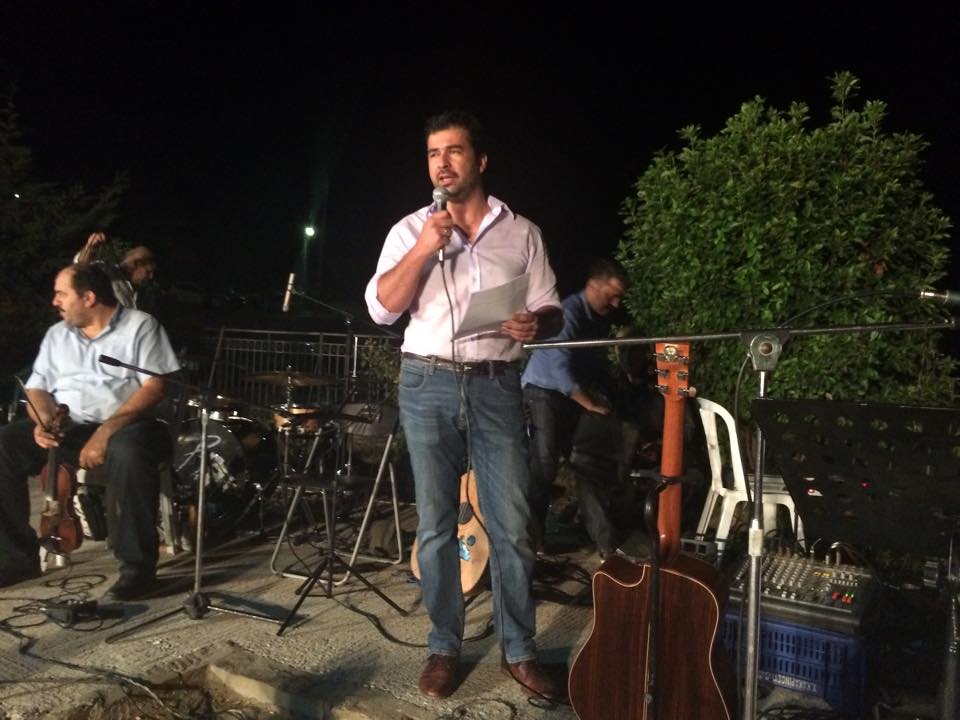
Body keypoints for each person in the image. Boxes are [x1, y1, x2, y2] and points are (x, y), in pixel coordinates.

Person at [364, 110, 563, 700]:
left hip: (497, 384)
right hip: (426, 383)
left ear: (480, 160)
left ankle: (519, 649)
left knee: (513, 525)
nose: (442, 163)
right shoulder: (409, 230)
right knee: (434, 527)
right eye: (433, 154)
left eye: (453, 151)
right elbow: (382, 309)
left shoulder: (522, 232)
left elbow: (550, 307)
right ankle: (444, 646)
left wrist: (536, 323)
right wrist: (425, 248)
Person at [0, 263, 180, 598]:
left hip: (131, 425)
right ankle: (16, 559)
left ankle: (137, 571)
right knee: (5, 444)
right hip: (71, 426)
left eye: (61, 294)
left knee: (127, 453)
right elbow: (37, 388)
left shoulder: (140, 326)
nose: (55, 302)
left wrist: (106, 432)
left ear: (89, 297)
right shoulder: (58, 335)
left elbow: (155, 386)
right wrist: (42, 421)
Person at [521, 258, 628, 555]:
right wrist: (590, 405)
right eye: (612, 295)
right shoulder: (569, 313)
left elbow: (596, 365)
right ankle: (531, 541)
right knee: (544, 466)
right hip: (542, 392)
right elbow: (559, 369)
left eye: (620, 297)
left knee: (587, 464)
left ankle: (607, 543)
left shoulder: (597, 319)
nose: (616, 303)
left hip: (568, 397)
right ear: (593, 285)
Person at [75, 232, 159, 313]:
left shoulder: (141, 295)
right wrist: (90, 247)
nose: (151, 277)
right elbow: (79, 268)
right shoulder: (105, 271)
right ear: (135, 264)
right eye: (148, 271)